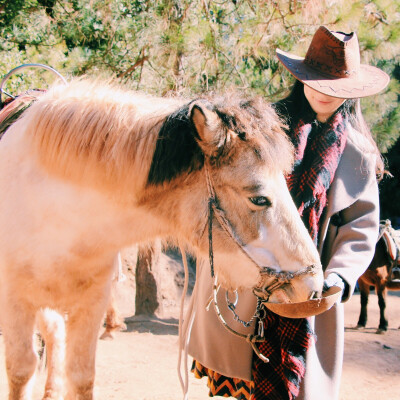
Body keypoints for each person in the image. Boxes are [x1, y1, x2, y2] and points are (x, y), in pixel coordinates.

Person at [186, 26, 390, 400]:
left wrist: (341, 277)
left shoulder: (358, 153)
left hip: (310, 288)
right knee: (238, 382)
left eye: (337, 88)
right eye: (319, 82)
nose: (326, 94)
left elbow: (360, 227)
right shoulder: (257, 128)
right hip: (248, 279)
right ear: (302, 78)